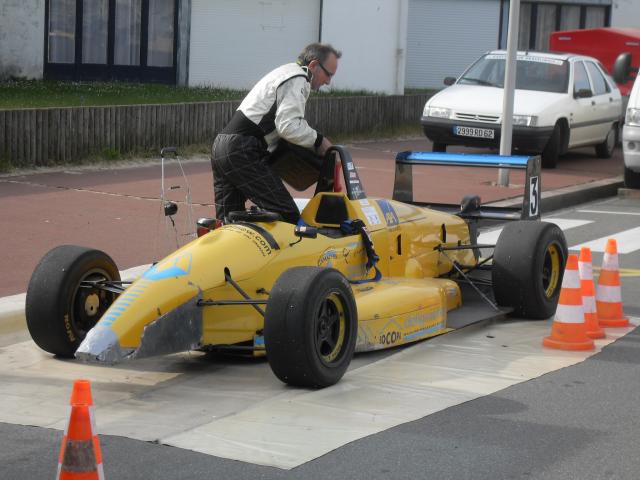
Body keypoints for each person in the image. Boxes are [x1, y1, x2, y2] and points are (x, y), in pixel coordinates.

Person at [210, 43, 341, 224]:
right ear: (313, 65)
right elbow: (288, 126)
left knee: (227, 224)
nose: (328, 81)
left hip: (221, 145)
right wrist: (319, 141)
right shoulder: (298, 77)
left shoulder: (284, 72)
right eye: (328, 74)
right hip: (242, 149)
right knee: (287, 216)